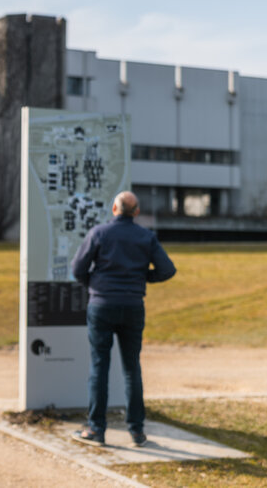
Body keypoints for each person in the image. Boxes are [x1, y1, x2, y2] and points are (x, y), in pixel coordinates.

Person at [69, 191, 176, 447]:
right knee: (131, 368)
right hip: (132, 306)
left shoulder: (99, 233)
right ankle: (137, 430)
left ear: (114, 209)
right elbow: (167, 270)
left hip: (102, 305)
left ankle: (96, 428)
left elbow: (77, 269)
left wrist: (95, 284)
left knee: (99, 367)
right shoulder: (146, 237)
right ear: (136, 212)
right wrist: (142, 278)